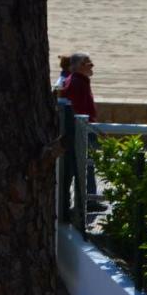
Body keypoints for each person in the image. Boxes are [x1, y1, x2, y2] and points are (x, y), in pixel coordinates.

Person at [60, 53, 101, 203]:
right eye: (89, 64)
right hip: (82, 131)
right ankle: (88, 201)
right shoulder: (77, 83)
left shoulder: (78, 81)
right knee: (84, 166)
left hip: (84, 129)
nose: (92, 66)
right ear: (81, 66)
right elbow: (77, 109)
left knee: (81, 166)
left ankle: (79, 200)